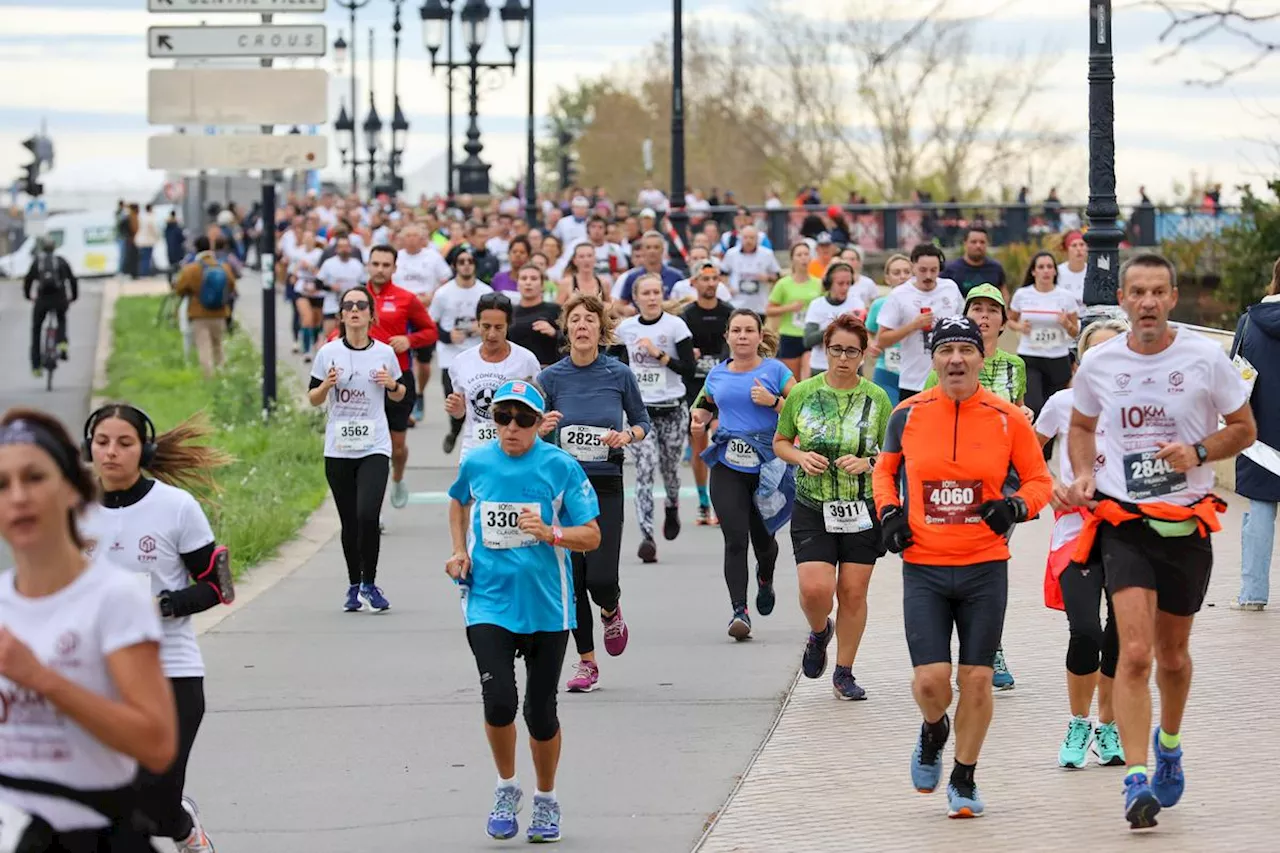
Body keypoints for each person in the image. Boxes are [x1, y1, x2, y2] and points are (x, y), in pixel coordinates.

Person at [1065, 253, 1256, 830]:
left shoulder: (1204, 358)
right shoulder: (1099, 362)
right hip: (1123, 522)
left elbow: (1245, 428)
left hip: (1186, 524)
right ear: (1122, 301)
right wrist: (1082, 474)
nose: (1147, 302)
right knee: (1136, 652)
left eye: (1158, 292)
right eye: (1137, 292)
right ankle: (1135, 779)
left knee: (1172, 656)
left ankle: (1168, 743)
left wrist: (1197, 452)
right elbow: (1079, 426)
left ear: (1174, 298)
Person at [872, 316, 1052, 819]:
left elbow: (1040, 481)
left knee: (975, 680)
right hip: (924, 567)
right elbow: (884, 472)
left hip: (983, 568)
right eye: (946, 349)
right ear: (932, 357)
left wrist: (1014, 507)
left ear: (981, 357)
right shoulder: (906, 415)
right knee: (931, 682)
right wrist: (888, 514)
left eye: (965, 350)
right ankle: (934, 730)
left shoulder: (1006, 418)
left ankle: (965, 777)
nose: (956, 359)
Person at [0, 408, 176, 851]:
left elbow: (156, 743)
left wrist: (41, 679)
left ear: (71, 490)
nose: (18, 497)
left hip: (91, 835)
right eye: (2, 485)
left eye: (34, 478)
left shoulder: (113, 599)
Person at [446, 379, 601, 843]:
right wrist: (459, 551)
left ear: (539, 424)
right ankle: (505, 787)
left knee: (539, 711)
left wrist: (551, 533)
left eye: (523, 420)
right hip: (487, 599)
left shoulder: (561, 467)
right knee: (498, 703)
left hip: (547, 606)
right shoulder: (477, 461)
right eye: (502, 418)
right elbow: (457, 501)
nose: (511, 428)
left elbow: (591, 535)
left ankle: (547, 799)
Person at [82, 403, 235, 853]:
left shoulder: (175, 507)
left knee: (157, 801)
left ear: (143, 449)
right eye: (102, 442)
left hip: (172, 671)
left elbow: (219, 586)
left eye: (124, 443)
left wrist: (164, 604)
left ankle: (184, 826)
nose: (111, 452)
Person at [774, 314, 890, 700]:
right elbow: (781, 441)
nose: (843, 358)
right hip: (813, 504)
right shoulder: (803, 393)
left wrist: (868, 463)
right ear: (826, 350)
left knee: (853, 593)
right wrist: (800, 457)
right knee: (815, 592)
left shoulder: (877, 399)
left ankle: (844, 672)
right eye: (836, 350)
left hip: (861, 508)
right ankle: (820, 631)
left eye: (851, 351)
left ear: (862, 354)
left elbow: (892, 454)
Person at [538, 295, 650, 693]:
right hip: (564, 490)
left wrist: (628, 435)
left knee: (600, 577)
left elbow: (641, 421)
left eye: (589, 320)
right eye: (575, 320)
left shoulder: (618, 373)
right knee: (573, 580)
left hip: (605, 482)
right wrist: (542, 428)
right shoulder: (550, 378)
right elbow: (535, 430)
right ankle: (587, 663)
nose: (582, 326)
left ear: (600, 330)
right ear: (566, 329)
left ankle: (610, 607)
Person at [1034, 319, 1130, 770]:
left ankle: (1108, 727)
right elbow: (1027, 452)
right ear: (1080, 360)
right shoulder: (1062, 403)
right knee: (1086, 630)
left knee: (1119, 635)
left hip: (1130, 532)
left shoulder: (1141, 406)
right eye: (1096, 354)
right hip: (1076, 531)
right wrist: (1049, 483)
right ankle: (1078, 722)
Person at [692, 309, 796, 639]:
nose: (742, 336)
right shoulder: (717, 375)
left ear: (760, 336)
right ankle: (740, 611)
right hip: (728, 463)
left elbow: (802, 411)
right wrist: (699, 419)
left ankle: (765, 577)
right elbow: (705, 405)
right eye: (736, 330)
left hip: (768, 465)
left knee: (764, 541)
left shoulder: (776, 371)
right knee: (735, 539)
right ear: (727, 336)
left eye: (749, 330)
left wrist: (774, 402)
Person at [310, 286, 408, 613]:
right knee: (349, 522)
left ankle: (370, 582)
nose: (354, 310)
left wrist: (390, 384)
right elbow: (313, 398)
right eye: (348, 305)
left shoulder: (383, 353)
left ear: (371, 314)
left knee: (368, 515)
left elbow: (400, 394)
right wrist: (327, 384)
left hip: (374, 446)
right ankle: (354, 585)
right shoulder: (328, 353)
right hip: (338, 449)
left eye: (361, 305)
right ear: (341, 314)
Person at [616, 273, 696, 562]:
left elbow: (689, 368)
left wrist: (659, 355)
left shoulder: (675, 326)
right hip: (641, 412)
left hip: (673, 408)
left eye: (655, 293)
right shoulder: (625, 329)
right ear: (635, 298)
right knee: (646, 468)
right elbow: (614, 363)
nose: (651, 298)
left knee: (670, 470)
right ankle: (647, 536)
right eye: (645, 293)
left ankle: (672, 504)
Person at [360, 245, 437, 510]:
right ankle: (373, 506)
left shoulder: (406, 299)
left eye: (385, 265)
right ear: (368, 265)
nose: (380, 269)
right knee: (369, 447)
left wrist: (409, 339)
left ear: (394, 268)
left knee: (397, 446)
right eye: (375, 264)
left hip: (398, 377)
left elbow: (430, 331)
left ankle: (398, 477)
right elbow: (339, 330)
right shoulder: (356, 298)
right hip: (363, 382)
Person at [1229, 255, 1280, 610]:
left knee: (1261, 509)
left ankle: (1253, 594)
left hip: (1260, 432)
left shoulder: (1250, 322)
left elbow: (1233, 377)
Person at [444, 293, 541, 462]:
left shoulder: (526, 360)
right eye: (486, 326)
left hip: (516, 452)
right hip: (474, 452)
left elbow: (538, 407)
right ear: (477, 323)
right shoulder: (461, 362)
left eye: (498, 327)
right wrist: (457, 411)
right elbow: (463, 412)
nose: (491, 334)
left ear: (508, 325)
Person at [682, 261, 734, 526]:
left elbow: (733, 347)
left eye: (715, 278)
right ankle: (703, 502)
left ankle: (722, 503)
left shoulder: (729, 313)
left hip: (723, 386)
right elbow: (678, 350)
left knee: (720, 441)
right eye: (705, 278)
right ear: (695, 282)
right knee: (699, 445)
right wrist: (687, 353)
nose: (710, 283)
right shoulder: (686, 315)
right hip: (695, 388)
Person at [875, 245, 964, 398]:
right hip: (912, 382)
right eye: (923, 270)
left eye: (934, 270)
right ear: (913, 268)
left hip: (948, 379)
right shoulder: (899, 295)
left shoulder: (950, 288)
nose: (928, 276)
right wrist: (912, 326)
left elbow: (964, 324)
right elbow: (882, 340)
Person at [431, 247, 495, 454]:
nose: (466, 264)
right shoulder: (443, 294)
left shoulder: (485, 293)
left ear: (475, 265)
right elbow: (431, 324)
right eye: (461, 261)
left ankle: (473, 444)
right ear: (454, 266)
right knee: (454, 401)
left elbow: (497, 320)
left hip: (479, 354)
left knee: (477, 401)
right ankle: (454, 431)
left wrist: (483, 328)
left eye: (470, 261)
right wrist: (447, 336)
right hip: (450, 356)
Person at [1008, 251, 1079, 425]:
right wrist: (1020, 327)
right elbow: (1010, 320)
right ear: (1033, 272)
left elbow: (1075, 331)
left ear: (1055, 271)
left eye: (1049, 267)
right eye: (1041, 267)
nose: (1045, 271)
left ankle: (1046, 451)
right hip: (1030, 356)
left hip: (1058, 358)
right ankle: (1033, 447)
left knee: (1055, 409)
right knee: (1034, 405)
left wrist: (1065, 324)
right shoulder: (1022, 294)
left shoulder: (1066, 297)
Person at [173, 238, 237, 378]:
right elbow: (232, 285)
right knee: (218, 346)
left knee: (204, 348)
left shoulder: (192, 269)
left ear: (196, 249)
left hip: (199, 314)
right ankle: (222, 376)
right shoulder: (223, 267)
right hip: (220, 313)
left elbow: (179, 288)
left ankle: (209, 379)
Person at [24, 237, 78, 376]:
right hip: (59, 298)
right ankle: (62, 343)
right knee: (61, 318)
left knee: (36, 329)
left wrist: (28, 296)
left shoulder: (37, 262)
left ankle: (36, 366)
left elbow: (28, 280)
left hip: (42, 300)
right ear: (55, 248)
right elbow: (72, 279)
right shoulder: (61, 261)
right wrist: (73, 296)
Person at [767, 243, 823, 376]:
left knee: (808, 377)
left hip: (810, 335)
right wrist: (789, 308)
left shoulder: (819, 283)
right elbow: (769, 310)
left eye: (806, 254)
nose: (803, 258)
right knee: (792, 380)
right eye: (799, 255)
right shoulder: (783, 284)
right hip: (789, 335)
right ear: (792, 259)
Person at [865, 252, 913, 406]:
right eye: (896, 273)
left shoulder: (923, 305)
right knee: (888, 420)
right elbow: (868, 332)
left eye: (907, 272)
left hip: (916, 373)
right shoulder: (879, 304)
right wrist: (871, 344)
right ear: (887, 279)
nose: (902, 276)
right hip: (886, 371)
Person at [508, 263, 564, 368]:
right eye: (524, 278)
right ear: (517, 284)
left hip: (547, 369)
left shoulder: (555, 309)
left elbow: (570, 339)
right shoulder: (510, 312)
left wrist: (554, 333)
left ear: (542, 285)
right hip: (516, 371)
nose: (528, 282)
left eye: (533, 279)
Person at [941, 227, 1007, 299]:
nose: (978, 246)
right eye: (973, 242)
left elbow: (1004, 292)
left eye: (982, 242)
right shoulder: (951, 269)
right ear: (965, 243)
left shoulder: (996, 268)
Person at [1057, 231, 1088, 309]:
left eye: (1082, 244)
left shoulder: (1093, 272)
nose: (1079, 249)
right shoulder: (1058, 272)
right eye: (1074, 245)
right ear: (1067, 249)